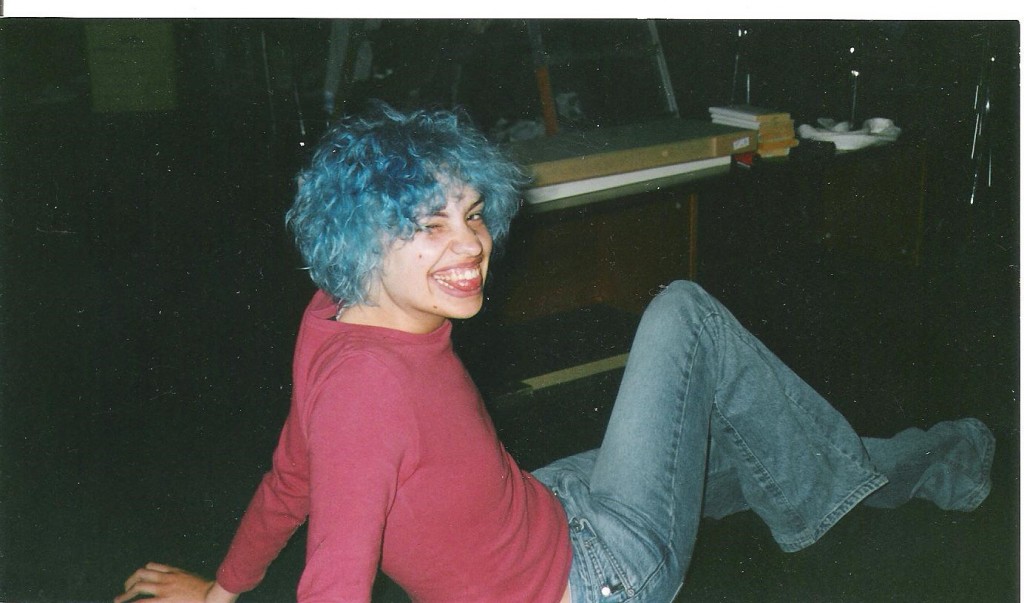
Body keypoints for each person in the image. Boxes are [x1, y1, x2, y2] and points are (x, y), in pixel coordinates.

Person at [115, 104, 995, 603]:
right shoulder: (367, 394)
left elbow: (291, 475)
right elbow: (334, 581)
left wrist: (223, 591)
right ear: (359, 239)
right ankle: (841, 497)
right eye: (428, 226)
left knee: (745, 445)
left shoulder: (330, 317)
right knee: (684, 314)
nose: (471, 244)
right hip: (597, 580)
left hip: (544, 509)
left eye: (471, 214)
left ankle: (909, 469)